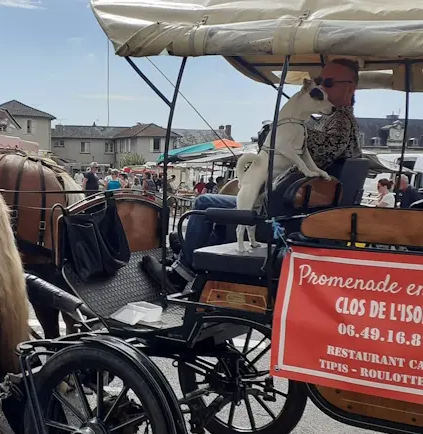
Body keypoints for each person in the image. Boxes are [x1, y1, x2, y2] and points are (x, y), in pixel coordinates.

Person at [143, 58, 363, 292]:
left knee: (204, 202)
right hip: (291, 208)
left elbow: (308, 154)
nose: (321, 87)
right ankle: (194, 257)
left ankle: (179, 275)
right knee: (219, 207)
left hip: (282, 215)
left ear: (349, 88)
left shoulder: (339, 123)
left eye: (327, 82)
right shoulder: (336, 123)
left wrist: (273, 130)